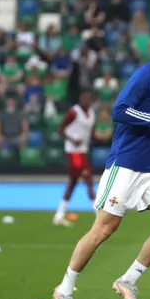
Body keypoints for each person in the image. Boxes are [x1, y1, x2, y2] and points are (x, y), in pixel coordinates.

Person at [52, 22, 150, 299]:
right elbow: (121, 111)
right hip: (126, 163)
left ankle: (129, 279)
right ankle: (65, 288)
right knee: (104, 229)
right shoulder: (148, 73)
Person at [53, 90, 96, 227]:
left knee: (72, 183)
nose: (86, 101)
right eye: (83, 98)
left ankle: (59, 215)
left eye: (88, 99)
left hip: (83, 150)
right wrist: (72, 140)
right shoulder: (74, 112)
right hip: (73, 152)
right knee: (87, 178)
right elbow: (61, 129)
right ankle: (99, 214)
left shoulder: (92, 114)